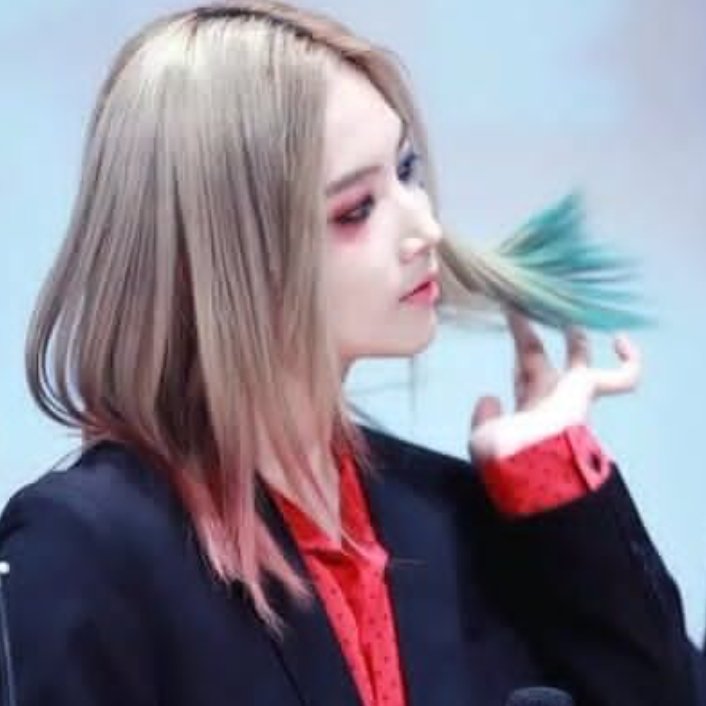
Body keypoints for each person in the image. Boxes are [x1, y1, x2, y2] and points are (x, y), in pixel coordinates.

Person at [0, 2, 700, 705]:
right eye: (355, 209)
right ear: (218, 259)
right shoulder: (85, 549)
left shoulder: (451, 516)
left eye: (407, 170)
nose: (424, 227)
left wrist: (550, 482)